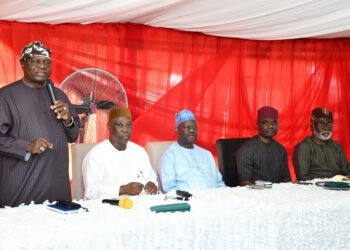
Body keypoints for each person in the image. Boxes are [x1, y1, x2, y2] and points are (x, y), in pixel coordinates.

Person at [0, 41, 80, 207]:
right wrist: (27, 146)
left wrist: (68, 119)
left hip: (57, 184)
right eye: (35, 61)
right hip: (23, 185)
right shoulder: (6, 96)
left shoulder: (59, 95)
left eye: (46, 62)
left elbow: (73, 136)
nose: (42, 66)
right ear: (23, 63)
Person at [82, 107, 158, 199]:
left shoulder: (139, 151)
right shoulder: (96, 155)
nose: (125, 129)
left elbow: (150, 177)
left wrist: (151, 184)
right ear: (109, 126)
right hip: (108, 208)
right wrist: (122, 189)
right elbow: (91, 192)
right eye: (120, 125)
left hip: (139, 205)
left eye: (129, 125)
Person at [158, 109, 225, 193]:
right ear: (177, 130)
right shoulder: (169, 156)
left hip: (216, 198)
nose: (192, 130)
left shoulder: (207, 154)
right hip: (190, 201)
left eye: (194, 127)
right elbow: (169, 188)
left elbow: (219, 183)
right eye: (186, 127)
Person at [236, 106, 290, 186]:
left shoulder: (281, 149)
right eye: (265, 122)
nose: (270, 126)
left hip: (279, 195)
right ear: (257, 125)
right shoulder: (246, 150)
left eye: (274, 122)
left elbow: (286, 178)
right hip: (256, 195)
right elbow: (245, 183)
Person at [293, 108, 350, 180]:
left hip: (339, 187)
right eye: (321, 123)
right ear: (312, 124)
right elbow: (303, 178)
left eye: (329, 124)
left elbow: (347, 171)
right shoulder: (304, 147)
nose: (326, 127)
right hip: (315, 188)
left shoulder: (336, 146)